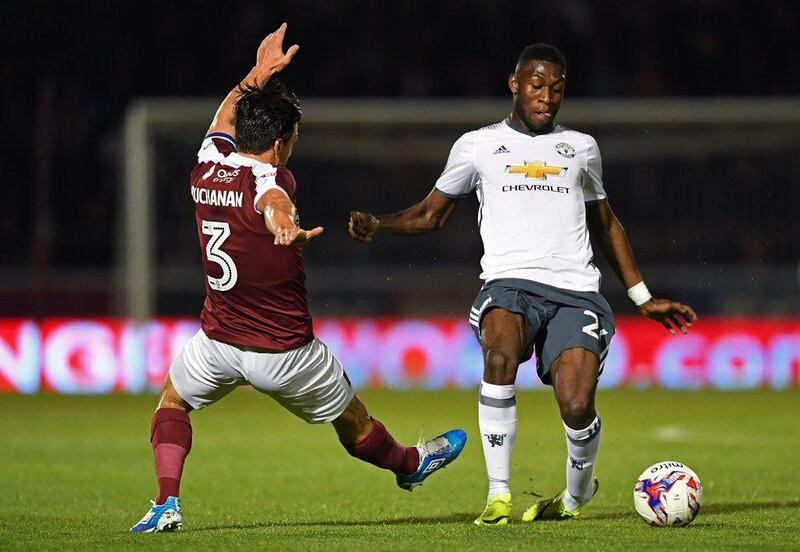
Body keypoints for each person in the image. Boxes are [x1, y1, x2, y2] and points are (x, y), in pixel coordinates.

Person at [130, 24, 466, 533]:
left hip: (217, 342)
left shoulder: (206, 166)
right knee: (355, 424)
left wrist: (258, 74)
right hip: (286, 353)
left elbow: (224, 116)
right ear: (283, 141)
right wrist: (282, 223)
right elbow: (271, 200)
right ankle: (411, 466)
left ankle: (165, 504)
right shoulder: (276, 178)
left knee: (173, 403)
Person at [348, 43, 696, 525]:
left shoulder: (582, 147)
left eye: (556, 88)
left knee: (576, 405)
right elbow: (431, 214)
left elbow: (606, 223)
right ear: (515, 84)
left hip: (575, 290)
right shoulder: (478, 145)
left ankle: (574, 498)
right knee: (499, 355)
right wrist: (380, 224)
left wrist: (643, 296)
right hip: (508, 283)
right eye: (537, 85)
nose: (547, 97)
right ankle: (498, 496)